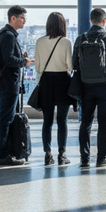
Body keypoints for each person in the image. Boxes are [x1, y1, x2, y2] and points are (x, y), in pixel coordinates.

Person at [73, 7, 106, 168]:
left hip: (86, 85)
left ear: (91, 20)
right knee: (103, 123)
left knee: (85, 122)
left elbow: (74, 63)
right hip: (105, 86)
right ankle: (101, 159)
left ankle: (84, 159)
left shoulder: (81, 38)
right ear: (104, 21)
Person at [0, 5, 32, 166]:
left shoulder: (5, 34)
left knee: (6, 117)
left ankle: (6, 151)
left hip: (5, 82)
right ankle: (2, 154)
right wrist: (24, 62)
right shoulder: (8, 35)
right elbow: (8, 60)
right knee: (5, 118)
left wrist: (20, 56)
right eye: (22, 18)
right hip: (8, 83)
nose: (24, 21)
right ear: (13, 18)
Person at [34, 11, 74, 166]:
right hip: (62, 81)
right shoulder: (66, 42)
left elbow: (38, 67)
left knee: (47, 121)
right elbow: (70, 66)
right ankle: (62, 154)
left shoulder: (39, 42)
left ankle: (47, 154)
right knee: (62, 121)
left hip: (46, 82)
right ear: (62, 25)